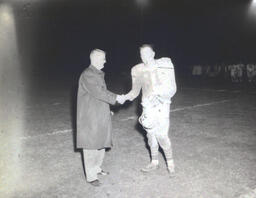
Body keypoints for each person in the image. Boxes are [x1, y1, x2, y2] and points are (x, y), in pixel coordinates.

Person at [124, 44, 177, 176]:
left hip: (162, 105)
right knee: (150, 136)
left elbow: (172, 88)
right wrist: (121, 98)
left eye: (147, 53)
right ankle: (154, 162)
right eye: (142, 54)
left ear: (153, 53)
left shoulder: (165, 64)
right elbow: (135, 91)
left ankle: (170, 164)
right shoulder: (137, 70)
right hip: (147, 106)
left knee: (161, 136)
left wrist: (159, 93)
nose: (145, 57)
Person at [76, 49, 124, 186]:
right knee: (90, 145)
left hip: (99, 113)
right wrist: (117, 98)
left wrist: (107, 109)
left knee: (101, 143)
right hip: (90, 116)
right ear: (96, 59)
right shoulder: (88, 74)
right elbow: (99, 93)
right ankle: (91, 177)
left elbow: (101, 93)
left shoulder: (97, 74)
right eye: (103, 58)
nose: (105, 61)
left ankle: (97, 168)